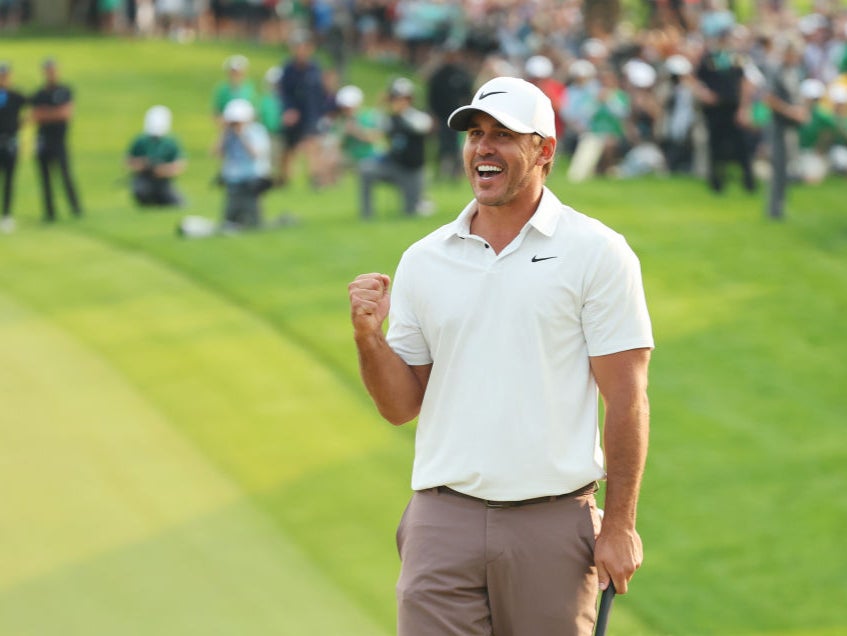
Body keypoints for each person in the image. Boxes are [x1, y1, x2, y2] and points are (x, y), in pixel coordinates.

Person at [348, 76, 654, 635]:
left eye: (504, 136)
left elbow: (627, 397)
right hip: (443, 519)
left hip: (553, 523)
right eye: (475, 134)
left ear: (544, 151)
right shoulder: (424, 259)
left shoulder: (596, 253)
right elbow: (399, 406)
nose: (483, 148)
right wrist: (369, 339)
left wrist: (621, 524)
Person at [358, 77, 433, 219]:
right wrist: (381, 105)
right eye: (395, 98)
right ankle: (367, 214)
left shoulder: (418, 117)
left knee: (410, 211)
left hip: (412, 171)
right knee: (366, 170)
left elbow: (422, 126)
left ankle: (421, 200)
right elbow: (375, 124)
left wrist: (401, 115)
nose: (398, 102)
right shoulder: (389, 119)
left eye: (402, 98)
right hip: (394, 168)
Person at [761, 36, 809, 220]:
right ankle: (774, 210)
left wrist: (801, 111)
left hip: (790, 126)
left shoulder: (794, 71)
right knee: (778, 168)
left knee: (788, 169)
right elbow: (768, 97)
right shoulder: (776, 70)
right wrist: (790, 111)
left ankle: (780, 207)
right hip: (778, 126)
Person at [31, 57, 83, 222]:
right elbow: (35, 116)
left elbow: (66, 114)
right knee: (45, 178)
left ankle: (75, 208)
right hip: (43, 140)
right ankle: (49, 212)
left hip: (59, 141)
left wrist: (47, 114)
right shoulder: (39, 93)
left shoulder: (64, 91)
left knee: (65, 175)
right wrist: (54, 113)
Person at [278, 28, 327, 186]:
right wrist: (288, 109)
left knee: (312, 146)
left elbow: (319, 94)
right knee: (288, 148)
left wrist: (319, 114)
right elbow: (284, 93)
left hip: (311, 114)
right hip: (293, 114)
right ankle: (285, 179)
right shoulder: (288, 68)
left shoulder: (315, 68)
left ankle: (315, 178)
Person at [214, 97, 271, 230]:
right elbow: (216, 153)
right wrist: (223, 133)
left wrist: (242, 136)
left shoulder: (257, 131)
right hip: (233, 180)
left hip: (251, 180)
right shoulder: (228, 134)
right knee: (229, 220)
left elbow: (256, 155)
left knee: (253, 221)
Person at [125, 105, 187, 207]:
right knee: (141, 190)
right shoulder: (140, 141)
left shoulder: (171, 142)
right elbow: (128, 161)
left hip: (163, 181)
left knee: (177, 203)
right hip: (144, 179)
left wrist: (162, 170)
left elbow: (179, 165)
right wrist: (143, 165)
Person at [0, 61, 27, 233]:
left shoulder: (16, 96)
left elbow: (34, 107)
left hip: (10, 143)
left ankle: (6, 215)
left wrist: (22, 123)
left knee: (9, 181)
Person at [212, 54, 257, 125]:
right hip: (228, 125)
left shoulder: (249, 89)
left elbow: (254, 110)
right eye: (233, 72)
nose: (236, 75)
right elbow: (216, 112)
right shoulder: (223, 90)